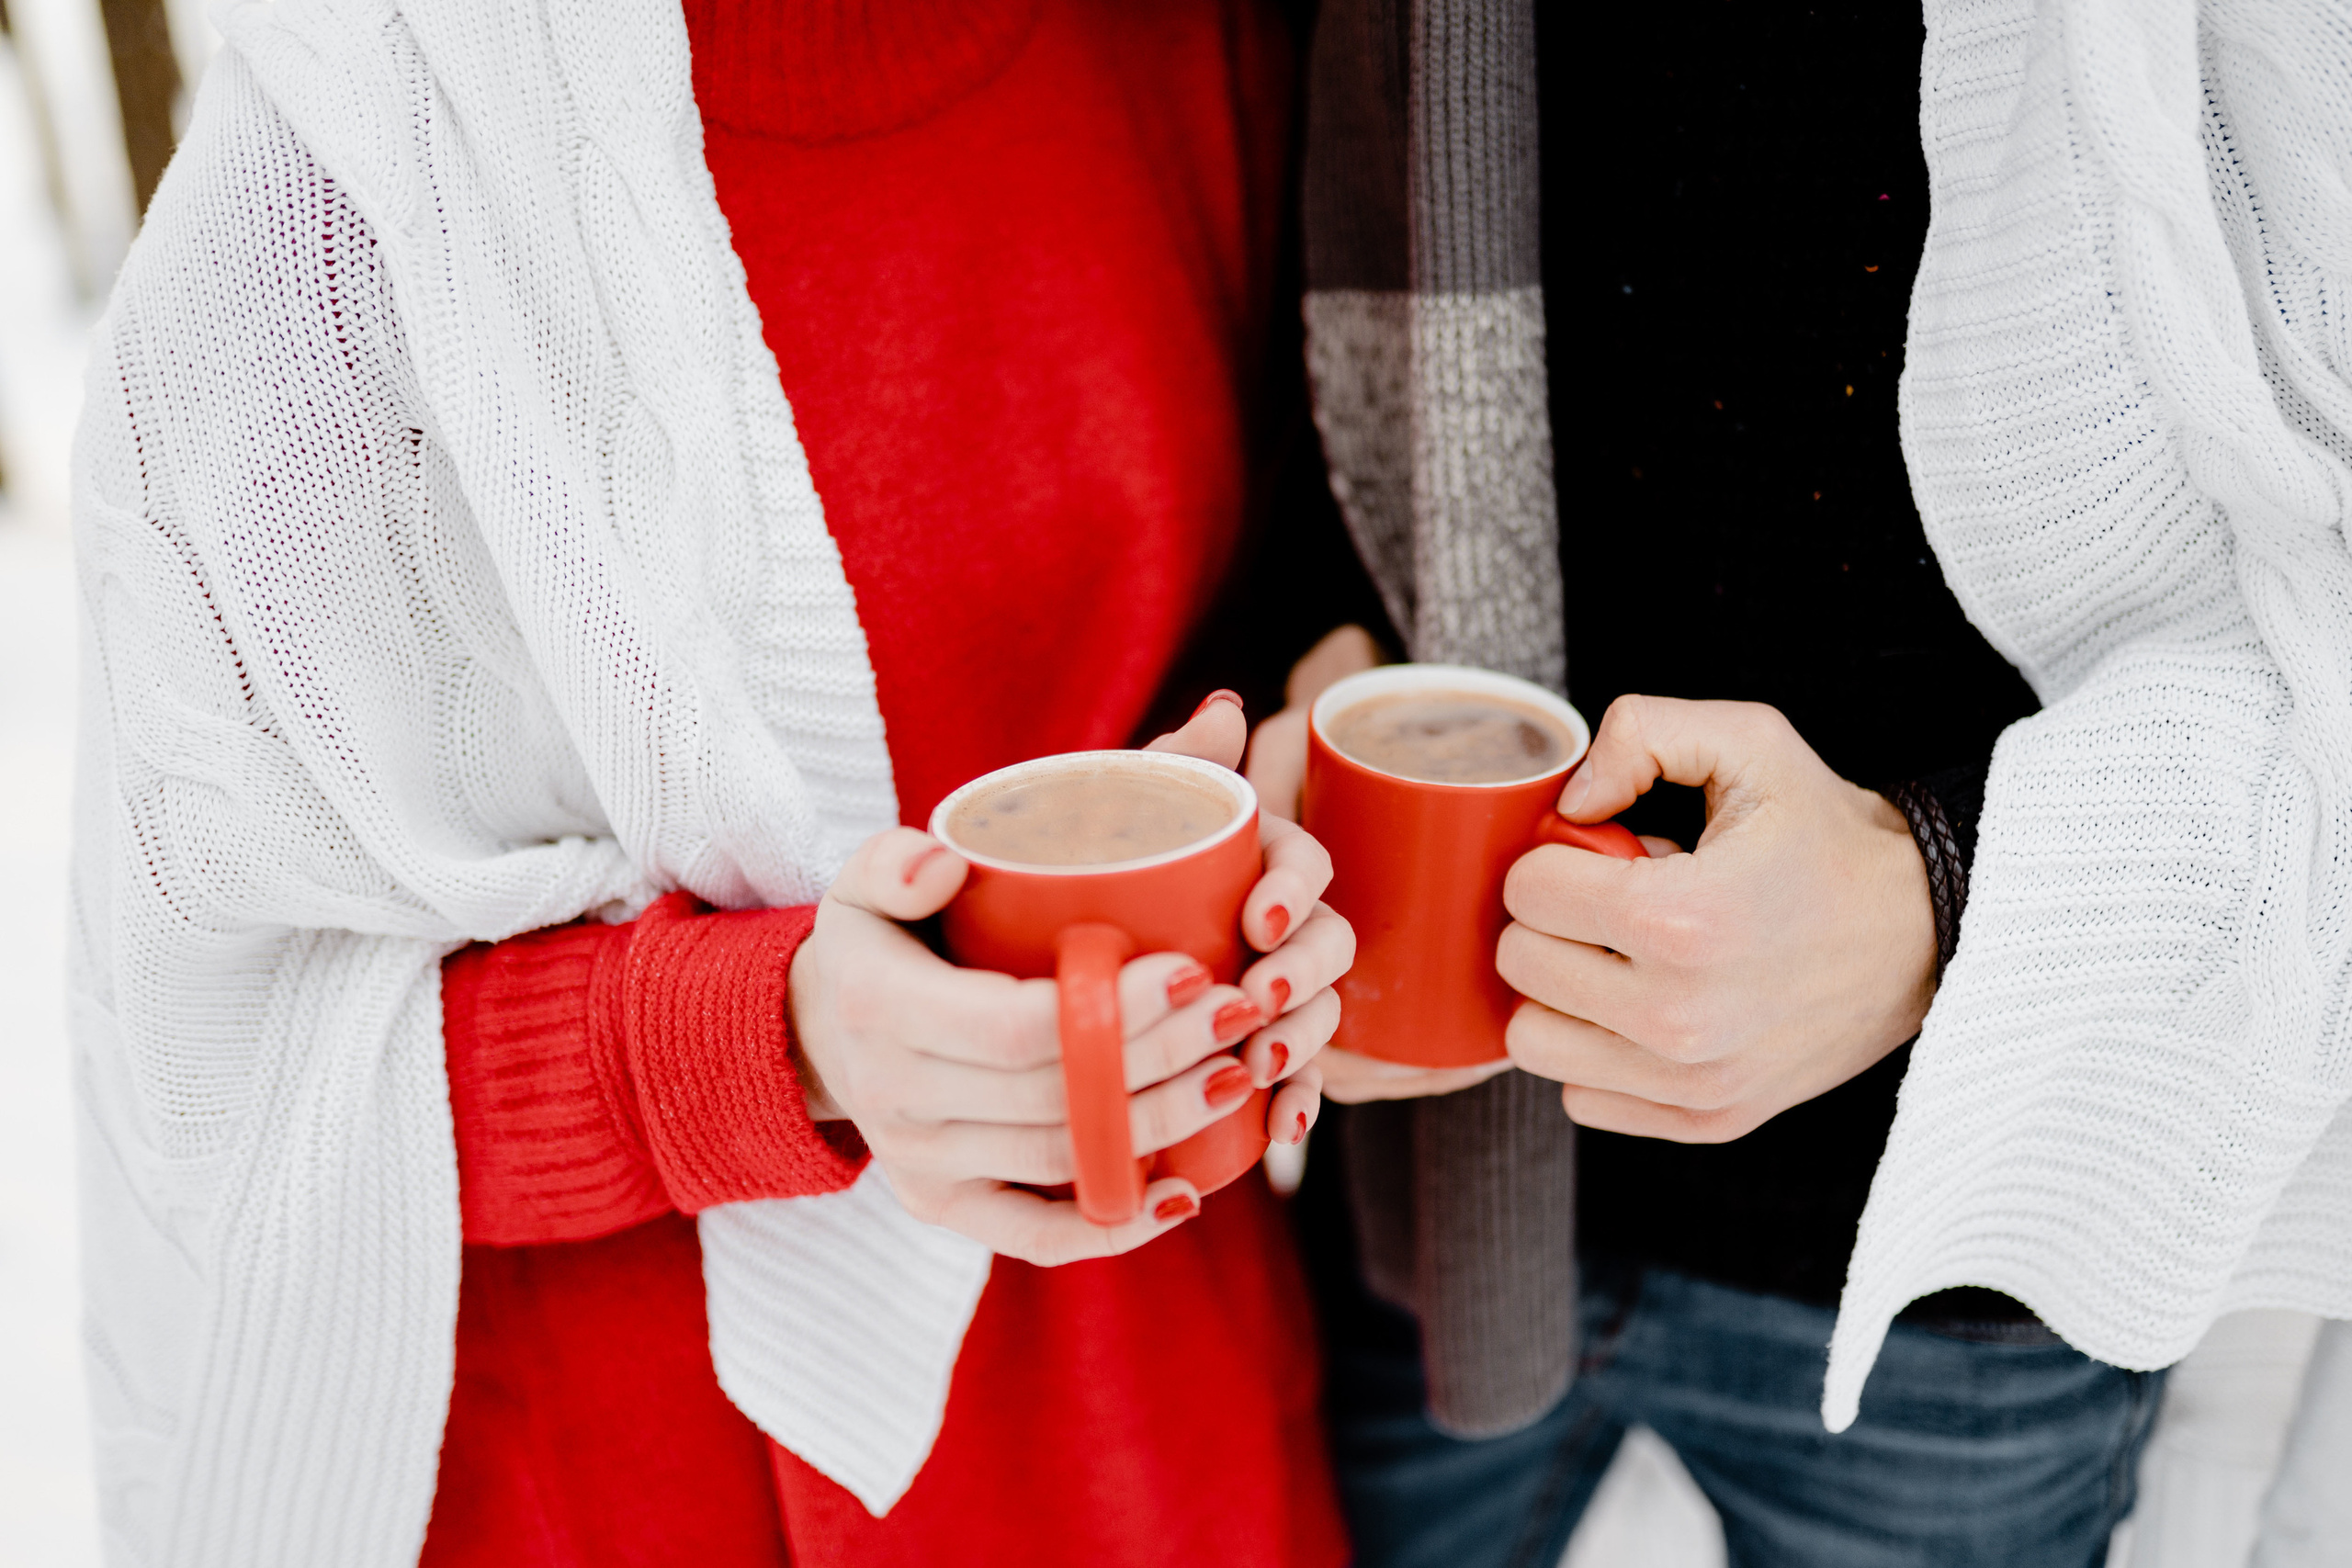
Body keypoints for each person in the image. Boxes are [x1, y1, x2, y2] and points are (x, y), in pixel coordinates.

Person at [68, 2, 1367, 1563]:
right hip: (639, 1465)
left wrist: (1287, 818)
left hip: (1145, 1399)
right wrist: (763, 1045)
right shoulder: (359, 125)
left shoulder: (1195, 37)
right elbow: (221, 1058)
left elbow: (1287, 607)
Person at [1263, 1, 2352, 1564]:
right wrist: (1321, 656)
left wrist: (1944, 894)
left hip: (1956, 1237)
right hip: (1435, 1188)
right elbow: (1300, 264)